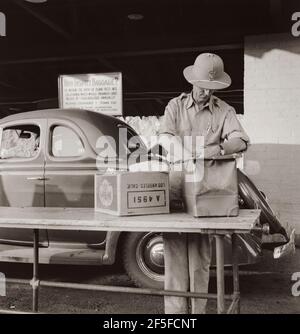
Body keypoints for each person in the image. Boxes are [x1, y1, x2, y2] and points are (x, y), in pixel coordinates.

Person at [158, 53, 250, 314]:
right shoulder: (175, 106)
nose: (204, 92)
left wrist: (219, 150)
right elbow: (164, 135)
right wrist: (185, 156)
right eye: (201, 86)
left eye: (210, 88)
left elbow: (241, 140)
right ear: (192, 81)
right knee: (175, 258)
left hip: (207, 191)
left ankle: (198, 314)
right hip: (177, 189)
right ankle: (175, 316)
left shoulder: (224, 110)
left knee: (199, 261)